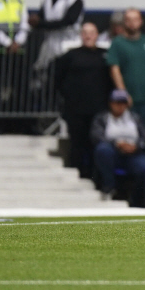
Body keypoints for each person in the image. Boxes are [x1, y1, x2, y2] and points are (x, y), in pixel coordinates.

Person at [54, 22, 112, 178]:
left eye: (91, 32)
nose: (88, 36)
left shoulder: (106, 55)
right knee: (77, 145)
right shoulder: (70, 56)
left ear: (97, 35)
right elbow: (57, 80)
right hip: (76, 110)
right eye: (85, 32)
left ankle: (97, 178)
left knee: (98, 144)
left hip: (100, 110)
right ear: (81, 35)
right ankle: (76, 175)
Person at [91, 89, 145, 205]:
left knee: (144, 166)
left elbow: (144, 136)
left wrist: (136, 147)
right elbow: (96, 136)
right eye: (117, 102)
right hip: (113, 152)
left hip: (133, 153)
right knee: (102, 150)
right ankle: (109, 187)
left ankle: (136, 200)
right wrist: (116, 144)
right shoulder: (102, 118)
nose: (120, 106)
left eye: (123, 103)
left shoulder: (135, 118)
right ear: (111, 103)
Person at [105, 8, 145, 133]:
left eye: (135, 19)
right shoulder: (117, 43)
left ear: (141, 21)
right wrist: (123, 93)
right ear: (124, 22)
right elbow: (114, 69)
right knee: (128, 134)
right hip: (126, 102)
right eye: (128, 20)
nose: (132, 23)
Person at [30, 0, 84, 72]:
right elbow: (42, 15)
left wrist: (40, 23)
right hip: (50, 42)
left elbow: (68, 21)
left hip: (69, 42)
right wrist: (35, 20)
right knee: (42, 69)